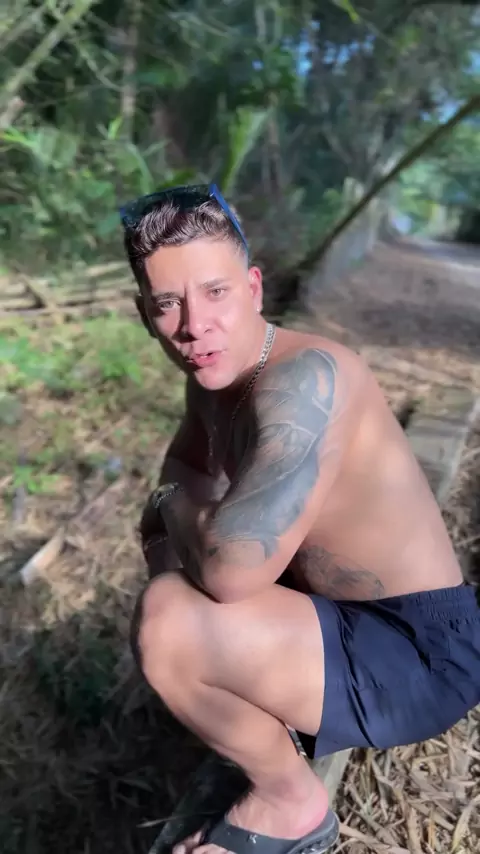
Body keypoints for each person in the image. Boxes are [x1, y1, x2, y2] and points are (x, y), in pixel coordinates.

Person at [122, 184, 480, 854]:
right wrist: (180, 524)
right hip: (333, 618)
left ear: (254, 287)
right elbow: (187, 468)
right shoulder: (213, 376)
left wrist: (169, 507)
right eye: (168, 303)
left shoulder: (304, 378)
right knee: (178, 589)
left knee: (169, 621)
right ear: (146, 314)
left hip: (418, 655)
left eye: (215, 292)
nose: (195, 324)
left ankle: (292, 806)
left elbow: (226, 569)